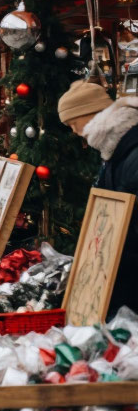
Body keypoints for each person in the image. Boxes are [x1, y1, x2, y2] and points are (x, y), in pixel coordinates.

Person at [57, 80, 138, 314]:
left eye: (73, 122)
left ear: (90, 113)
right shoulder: (113, 148)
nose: (74, 131)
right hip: (122, 272)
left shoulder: (128, 151)